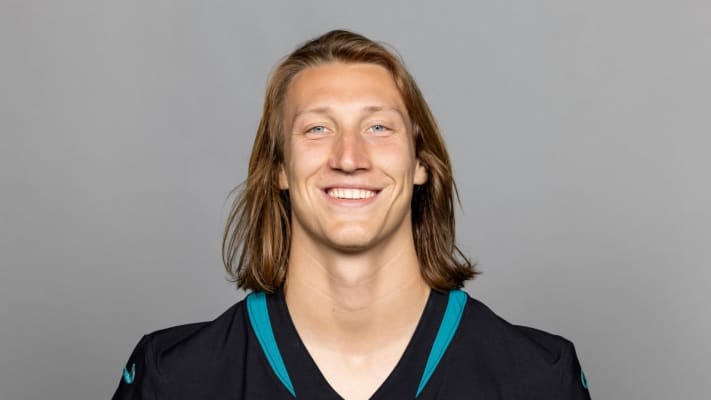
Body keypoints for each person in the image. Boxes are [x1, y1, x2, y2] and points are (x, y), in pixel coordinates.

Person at [112, 30, 591, 399]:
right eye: (317, 129)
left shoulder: (539, 377)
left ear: (421, 164)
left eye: (378, 127)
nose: (349, 157)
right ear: (279, 168)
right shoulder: (173, 377)